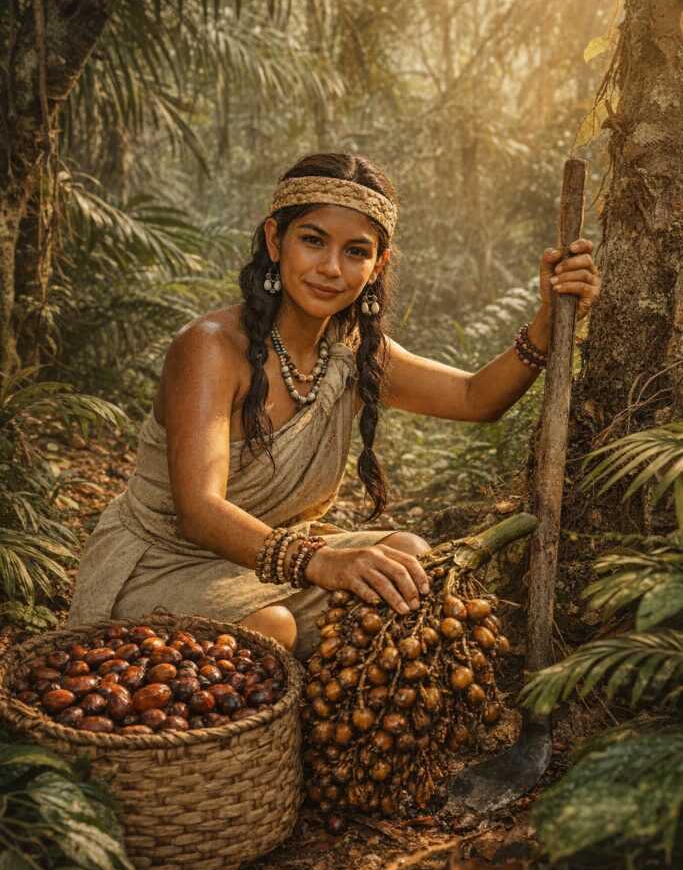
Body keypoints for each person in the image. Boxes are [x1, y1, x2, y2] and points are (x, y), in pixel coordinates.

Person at [68, 151, 601, 660]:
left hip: (264, 566)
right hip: (160, 566)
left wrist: (547, 320)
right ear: (275, 240)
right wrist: (323, 562)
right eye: (313, 240)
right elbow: (200, 513)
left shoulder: (351, 350)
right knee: (272, 627)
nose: (331, 268)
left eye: (356, 251)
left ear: (378, 263)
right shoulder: (209, 347)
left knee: (411, 559)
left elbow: (475, 398)